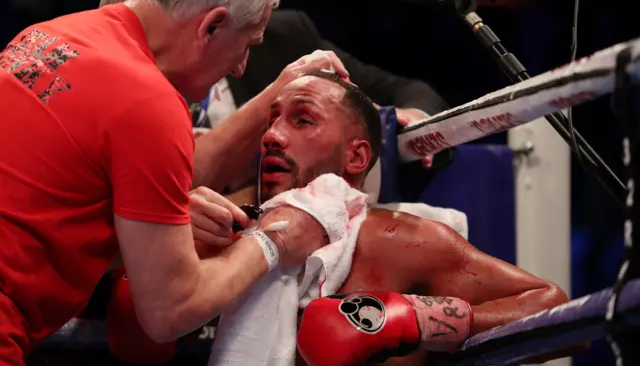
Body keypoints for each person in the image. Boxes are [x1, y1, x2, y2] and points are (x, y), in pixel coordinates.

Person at [0, 0, 344, 363]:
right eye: (247, 45)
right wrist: (273, 241)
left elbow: (51, 205)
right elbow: (169, 311)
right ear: (212, 25)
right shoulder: (148, 101)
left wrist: (154, 224)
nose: (240, 69)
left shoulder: (45, 36)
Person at [106, 70, 572, 365]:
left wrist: (410, 319)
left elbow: (557, 313)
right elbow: (133, 350)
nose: (272, 136)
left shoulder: (396, 238)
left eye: (301, 120)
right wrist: (163, 262)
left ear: (357, 157)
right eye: (271, 122)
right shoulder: (225, 234)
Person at [103, 0, 449, 177]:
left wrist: (408, 121)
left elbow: (409, 91)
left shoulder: (281, 36)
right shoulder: (102, 72)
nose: (240, 66)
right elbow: (169, 183)